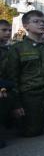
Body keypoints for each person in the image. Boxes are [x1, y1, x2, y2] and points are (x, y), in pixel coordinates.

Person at [0, 20, 12, 148]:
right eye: (4, 30)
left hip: (7, 84)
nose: (8, 33)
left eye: (9, 30)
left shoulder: (9, 48)